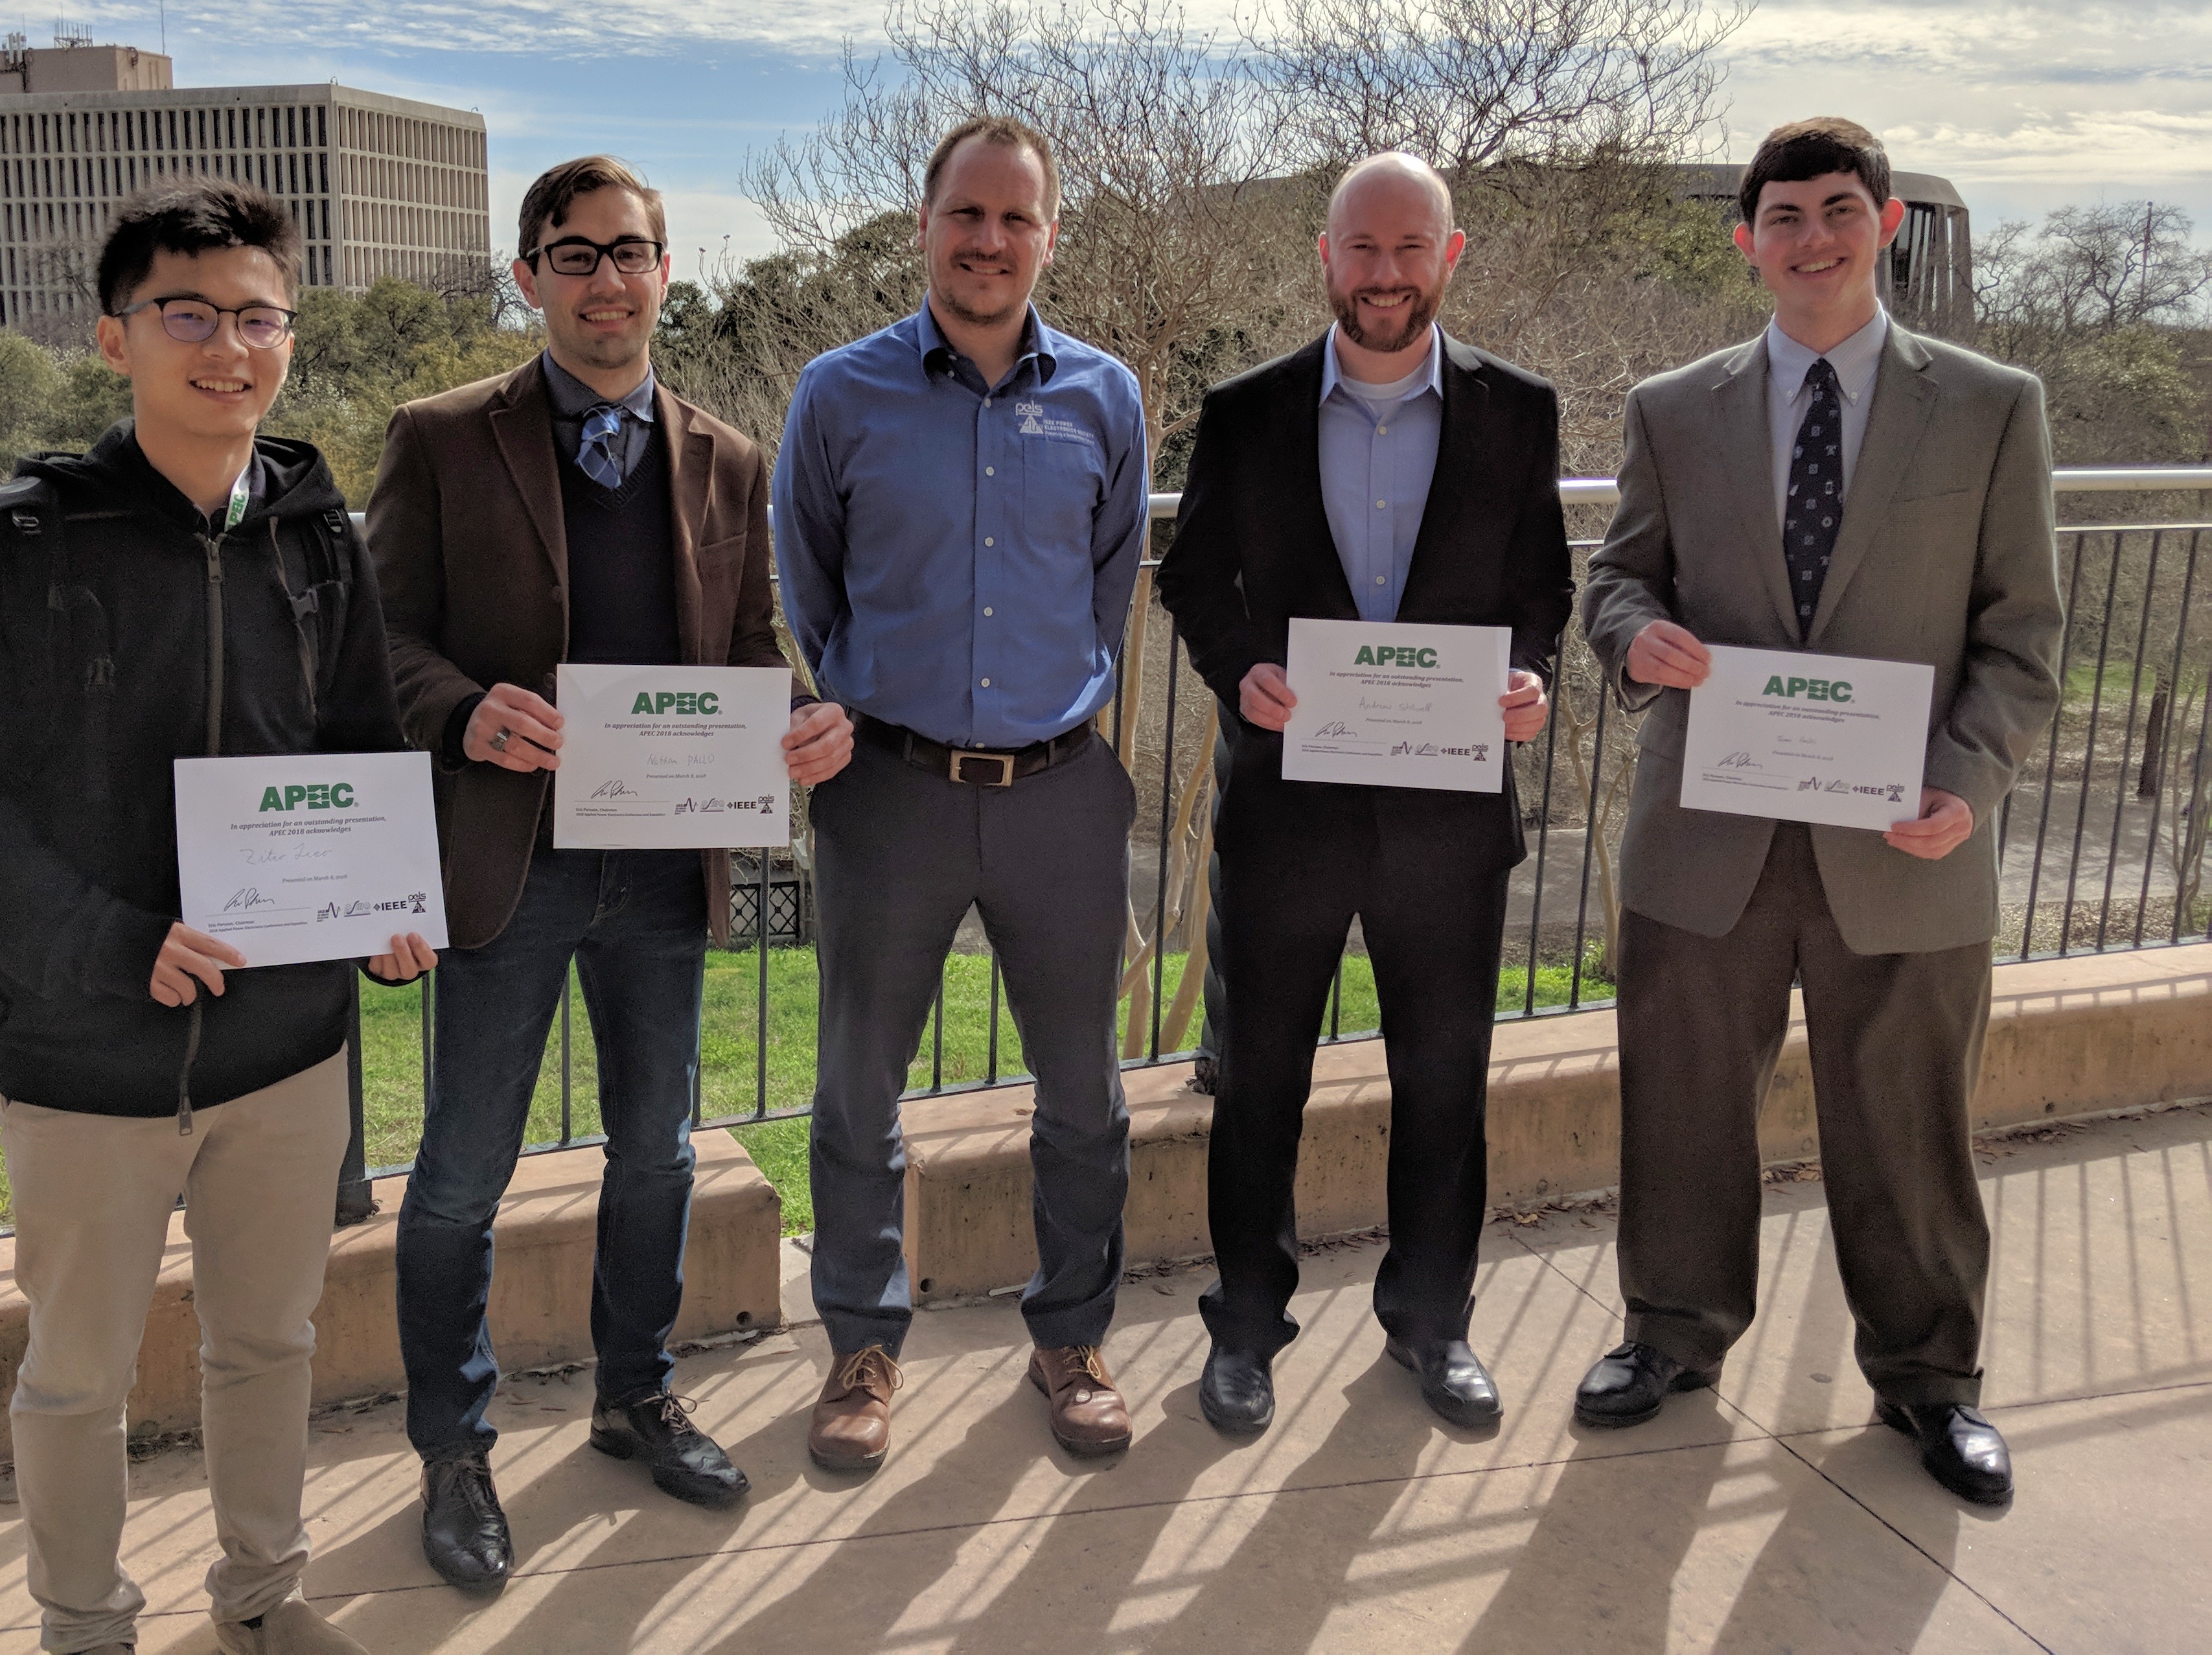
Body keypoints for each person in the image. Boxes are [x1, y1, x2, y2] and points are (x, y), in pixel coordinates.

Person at [0, 178, 431, 1655]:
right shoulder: (19, 556)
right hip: (84, 1051)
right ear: (113, 337)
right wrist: (107, 945)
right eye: (186, 314)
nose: (227, 347)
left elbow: (365, 756)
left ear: (288, 339)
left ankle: (264, 1601)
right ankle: (85, 1625)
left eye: (257, 317)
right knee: (75, 1376)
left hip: (285, 1045)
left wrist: (391, 906)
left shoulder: (321, 543)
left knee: (268, 1348)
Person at [366, 154, 852, 1591]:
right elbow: (377, 647)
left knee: (662, 1151)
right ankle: (454, 1447)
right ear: (528, 277)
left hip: (660, 872)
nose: (606, 280)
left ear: (664, 273)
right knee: (463, 1172)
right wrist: (462, 710)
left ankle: (634, 1394)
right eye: (574, 257)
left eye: (630, 253)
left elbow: (748, 653)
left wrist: (796, 726)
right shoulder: (442, 439)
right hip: (507, 867)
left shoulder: (728, 458)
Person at [1574, 117, 2064, 1504]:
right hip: (1705, 839)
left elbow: (2023, 633)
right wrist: (1633, 637)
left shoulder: (1993, 405)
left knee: (1908, 1124)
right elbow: (1618, 579)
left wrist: (1964, 780)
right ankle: (1671, 1335)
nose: (1813, 238)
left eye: (1838, 210)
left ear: (1886, 223)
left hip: (1905, 844)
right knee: (1680, 1111)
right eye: (1784, 216)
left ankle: (1931, 1379)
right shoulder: (1675, 407)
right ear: (1750, 242)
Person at [1155, 154, 1574, 1435]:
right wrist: (1244, 675)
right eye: (1362, 248)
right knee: (1261, 1080)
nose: (1384, 274)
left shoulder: (1521, 409)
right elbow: (1191, 576)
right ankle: (1243, 1329)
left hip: (1448, 818)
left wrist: (1531, 681)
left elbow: (1540, 587)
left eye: (1409, 249)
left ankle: (1431, 1326)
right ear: (1325, 258)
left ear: (1449, 257)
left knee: (1445, 1080)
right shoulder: (1245, 409)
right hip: (1288, 808)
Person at [774, 115, 1150, 1468]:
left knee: (1086, 1091)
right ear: (924, 222)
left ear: (1050, 235)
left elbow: (1110, 590)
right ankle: (862, 1349)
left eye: (1018, 219)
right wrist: (871, 707)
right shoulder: (838, 394)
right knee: (856, 1089)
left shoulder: (1107, 398)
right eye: (966, 215)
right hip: (892, 790)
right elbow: (810, 591)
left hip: (1060, 792)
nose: (990, 241)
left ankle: (1072, 1337)